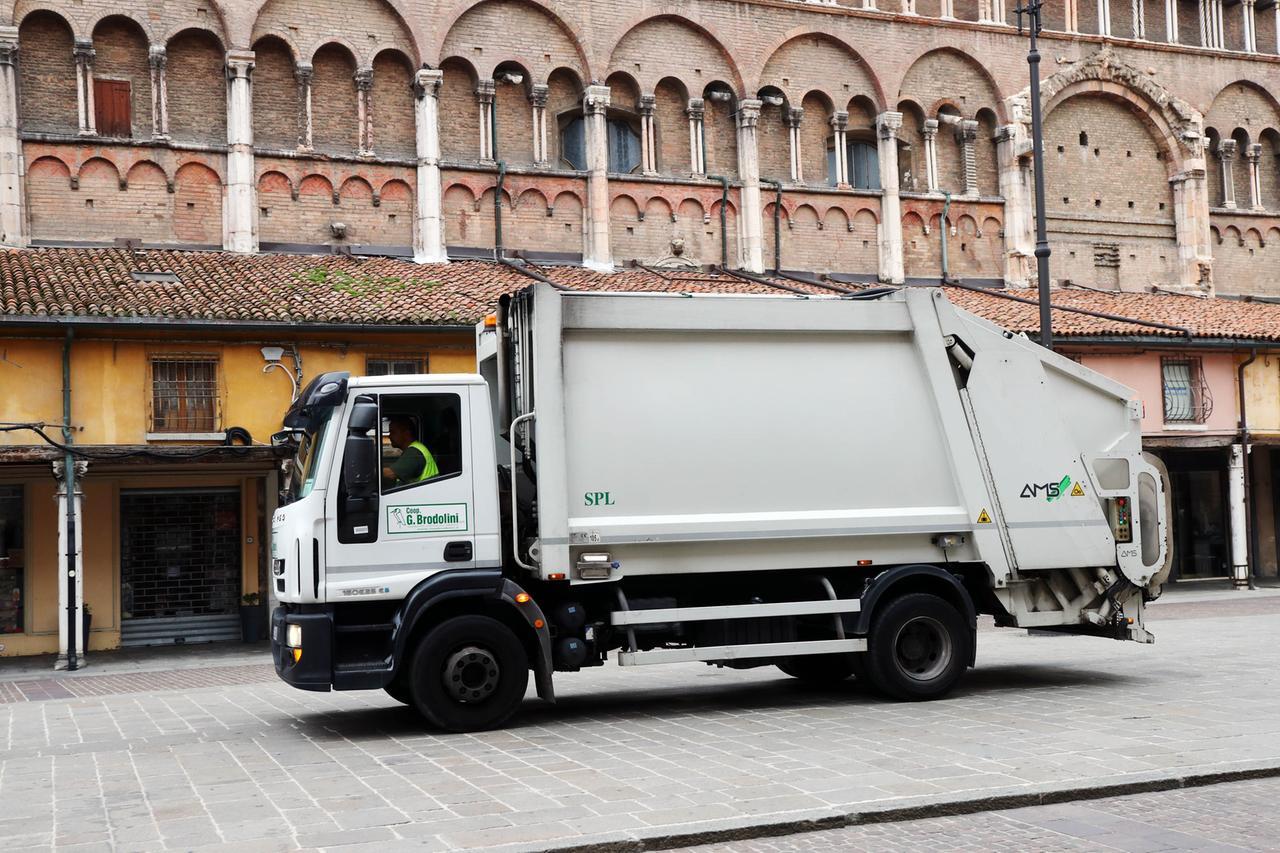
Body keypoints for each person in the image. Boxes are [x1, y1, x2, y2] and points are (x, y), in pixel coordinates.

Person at [382, 415, 439, 487]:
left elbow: (391, 474)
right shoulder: (414, 448)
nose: (389, 436)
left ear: (406, 433)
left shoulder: (414, 452)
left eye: (393, 432)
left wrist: (369, 471)